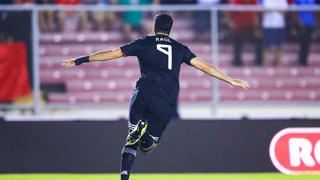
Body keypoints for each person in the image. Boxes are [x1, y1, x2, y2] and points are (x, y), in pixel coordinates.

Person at [61, 13, 250, 180]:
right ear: (171, 29)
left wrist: (80, 60)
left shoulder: (144, 42)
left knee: (131, 138)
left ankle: (125, 174)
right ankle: (143, 134)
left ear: (154, 27)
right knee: (149, 148)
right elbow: (205, 66)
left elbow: (111, 53)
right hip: (165, 101)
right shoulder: (180, 48)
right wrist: (230, 80)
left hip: (142, 93)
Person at [226, 0, 262, 66]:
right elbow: (227, 11)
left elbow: (255, 15)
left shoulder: (254, 2)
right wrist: (230, 22)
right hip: (238, 27)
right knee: (237, 44)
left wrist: (257, 29)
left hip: (250, 26)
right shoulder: (236, 1)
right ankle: (237, 62)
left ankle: (258, 62)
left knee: (258, 41)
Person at [261, 0, 288, 66]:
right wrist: (277, 9)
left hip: (279, 25)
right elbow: (262, 9)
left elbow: (284, 11)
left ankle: (277, 64)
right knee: (266, 46)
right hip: (268, 25)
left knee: (278, 46)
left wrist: (272, 9)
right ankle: (265, 64)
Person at [295, 0, 317, 66]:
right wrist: (299, 22)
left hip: (310, 24)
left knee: (307, 44)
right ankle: (300, 61)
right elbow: (294, 11)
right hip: (302, 24)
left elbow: (315, 11)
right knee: (302, 43)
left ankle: (305, 61)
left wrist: (315, 23)